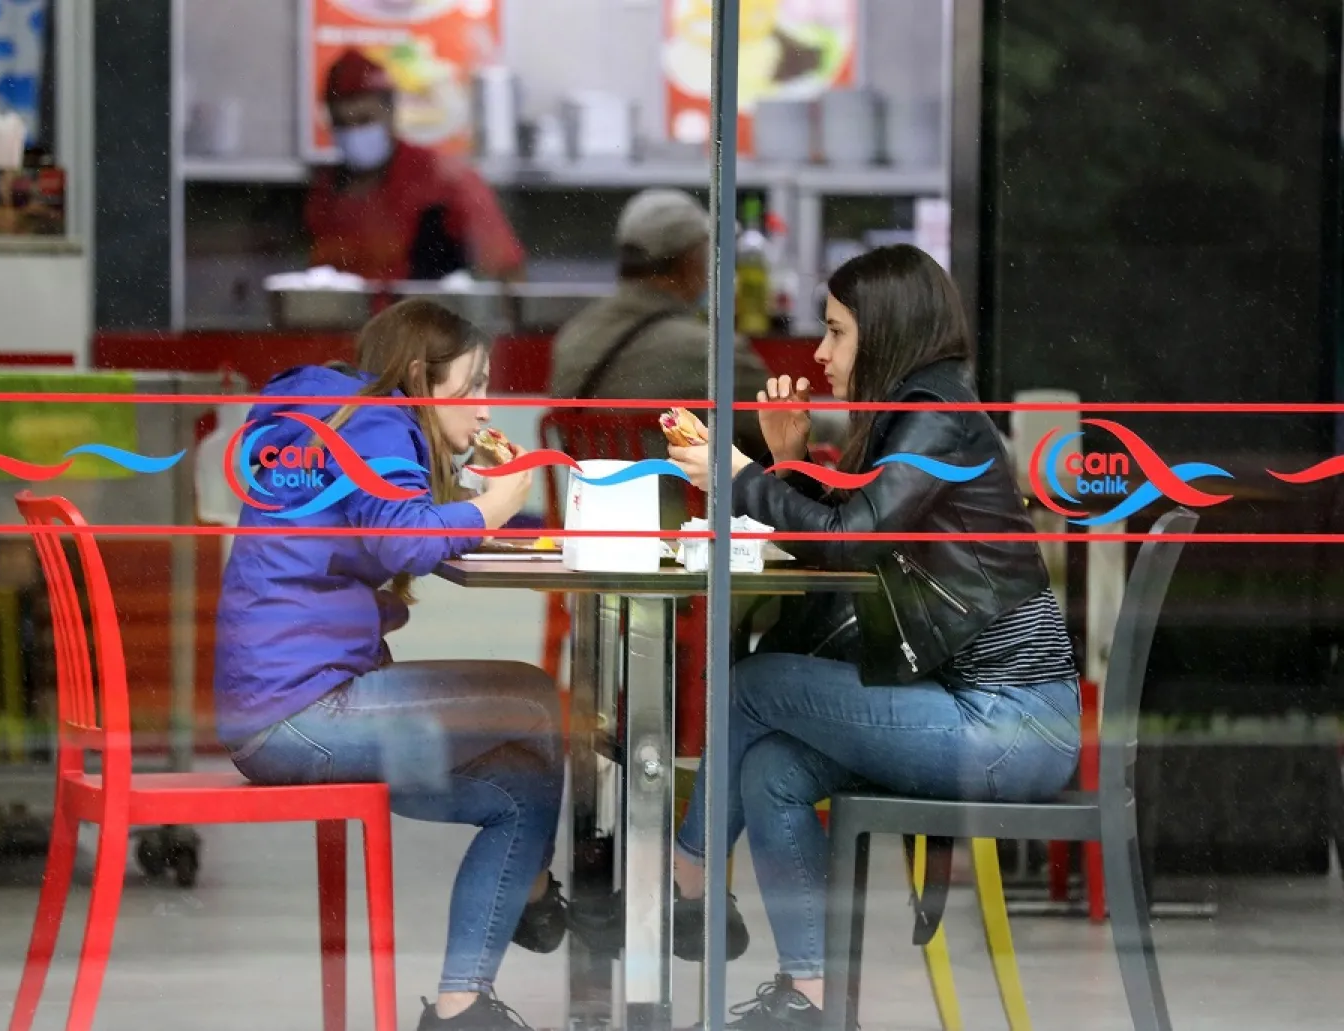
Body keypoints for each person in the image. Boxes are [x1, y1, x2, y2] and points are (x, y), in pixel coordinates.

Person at [664, 245, 1081, 1029]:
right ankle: (811, 997)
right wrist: (782, 467)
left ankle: (689, 870)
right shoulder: (920, 414)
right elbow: (858, 539)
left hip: (1011, 723)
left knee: (756, 685)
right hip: (972, 708)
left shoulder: (936, 417)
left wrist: (739, 475)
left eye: (836, 332)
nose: (820, 353)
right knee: (773, 766)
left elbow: (852, 540)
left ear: (884, 332)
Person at [215, 299, 564, 1031]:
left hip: (283, 708)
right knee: (536, 698)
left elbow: (391, 525)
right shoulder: (373, 421)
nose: (483, 407)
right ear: (417, 378)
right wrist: (494, 506)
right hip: (301, 715)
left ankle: (462, 1006)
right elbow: (407, 543)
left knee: (521, 786)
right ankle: (539, 890)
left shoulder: (330, 418)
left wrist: (489, 508)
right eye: (471, 387)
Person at [550, 188, 770, 479]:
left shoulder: (572, 337)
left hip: (593, 518)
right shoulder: (710, 350)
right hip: (687, 520)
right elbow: (786, 430)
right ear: (691, 260)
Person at [305, 49, 526, 282]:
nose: (353, 133)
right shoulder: (326, 190)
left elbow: (506, 268)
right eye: (342, 124)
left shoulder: (444, 179)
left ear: (390, 112)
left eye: (364, 120)